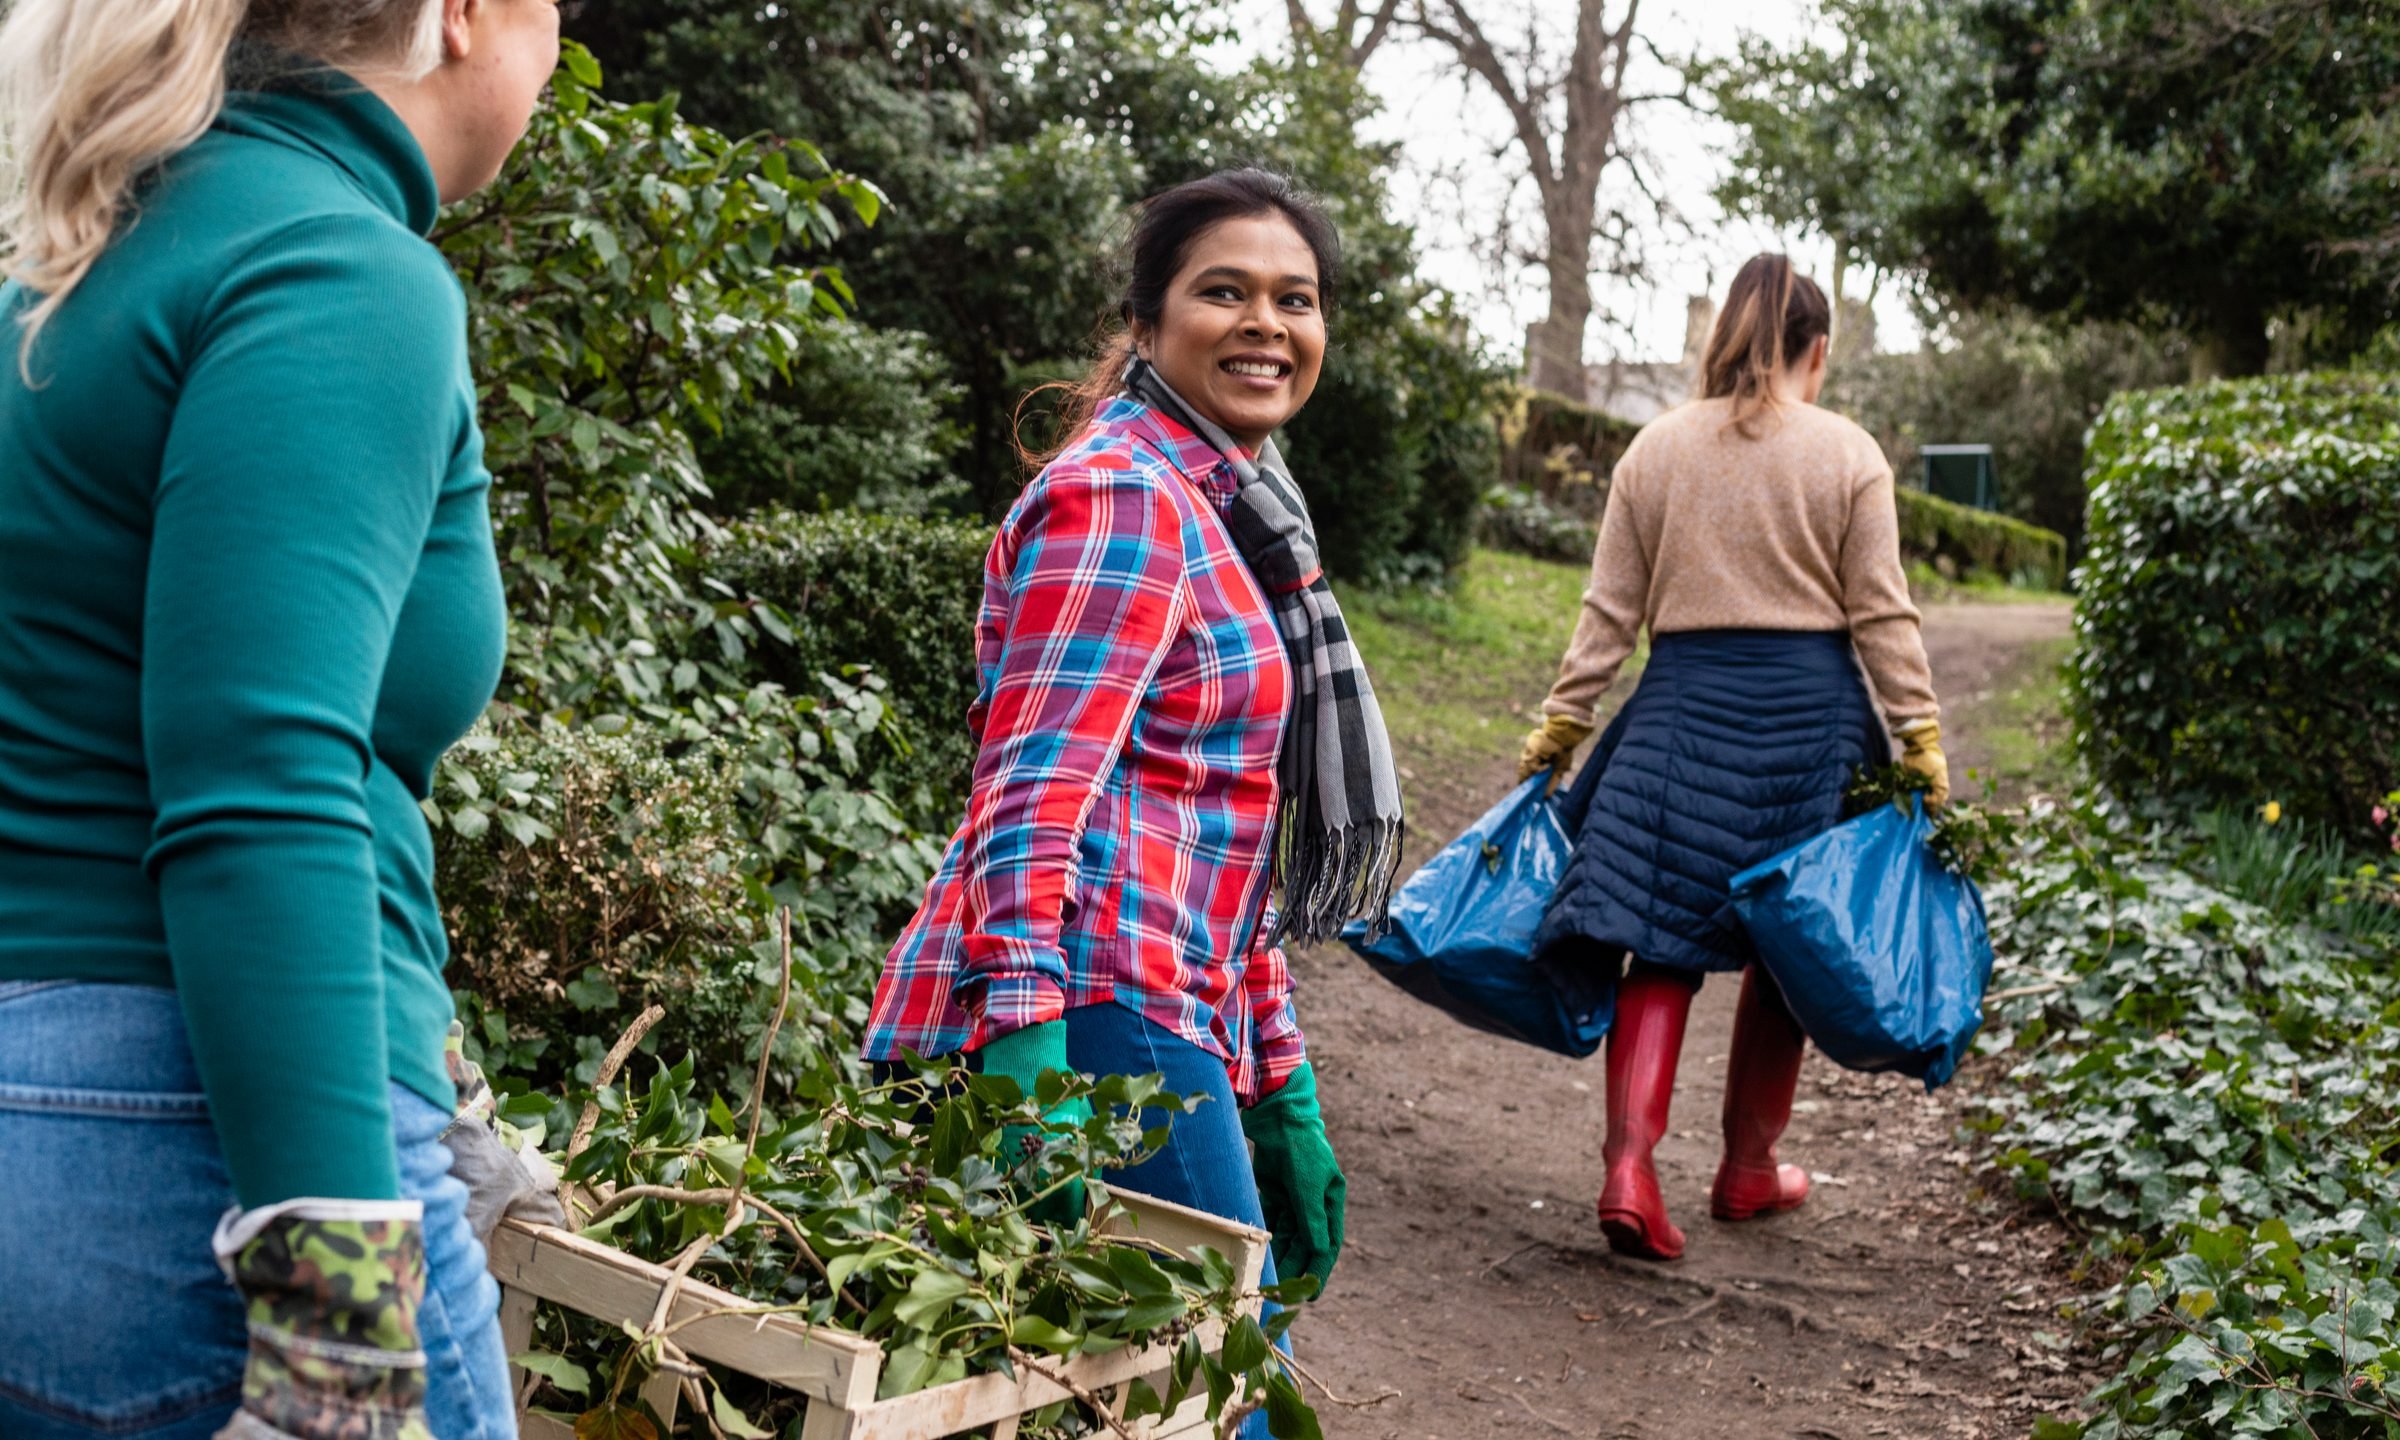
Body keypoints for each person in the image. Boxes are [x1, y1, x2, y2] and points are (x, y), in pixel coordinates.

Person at [0, 2, 559, 1437]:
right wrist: (339, 1335)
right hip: (187, 1157)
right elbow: (261, 774)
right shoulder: (334, 265)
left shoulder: (79, 260)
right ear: (460, 16)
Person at [862, 170, 1402, 1332]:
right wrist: (1026, 1048)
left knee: (1130, 1389)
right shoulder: (1125, 495)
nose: (1266, 324)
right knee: (1213, 1389)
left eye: (1296, 300)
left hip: (1164, 1006)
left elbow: (1216, 824)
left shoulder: (1240, 512)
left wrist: (1282, 1073)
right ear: (1149, 325)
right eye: (1225, 292)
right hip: (1090, 1013)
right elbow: (1029, 793)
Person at [1516, 254, 1947, 1262]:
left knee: (1657, 935)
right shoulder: (1848, 453)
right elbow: (1883, 615)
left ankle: (1630, 1169)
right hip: (1813, 726)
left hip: (1680, 714)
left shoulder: (1655, 449)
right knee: (1790, 947)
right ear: (1817, 350)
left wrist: (1563, 726)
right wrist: (1920, 739)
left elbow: (1609, 614)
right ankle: (1750, 1167)